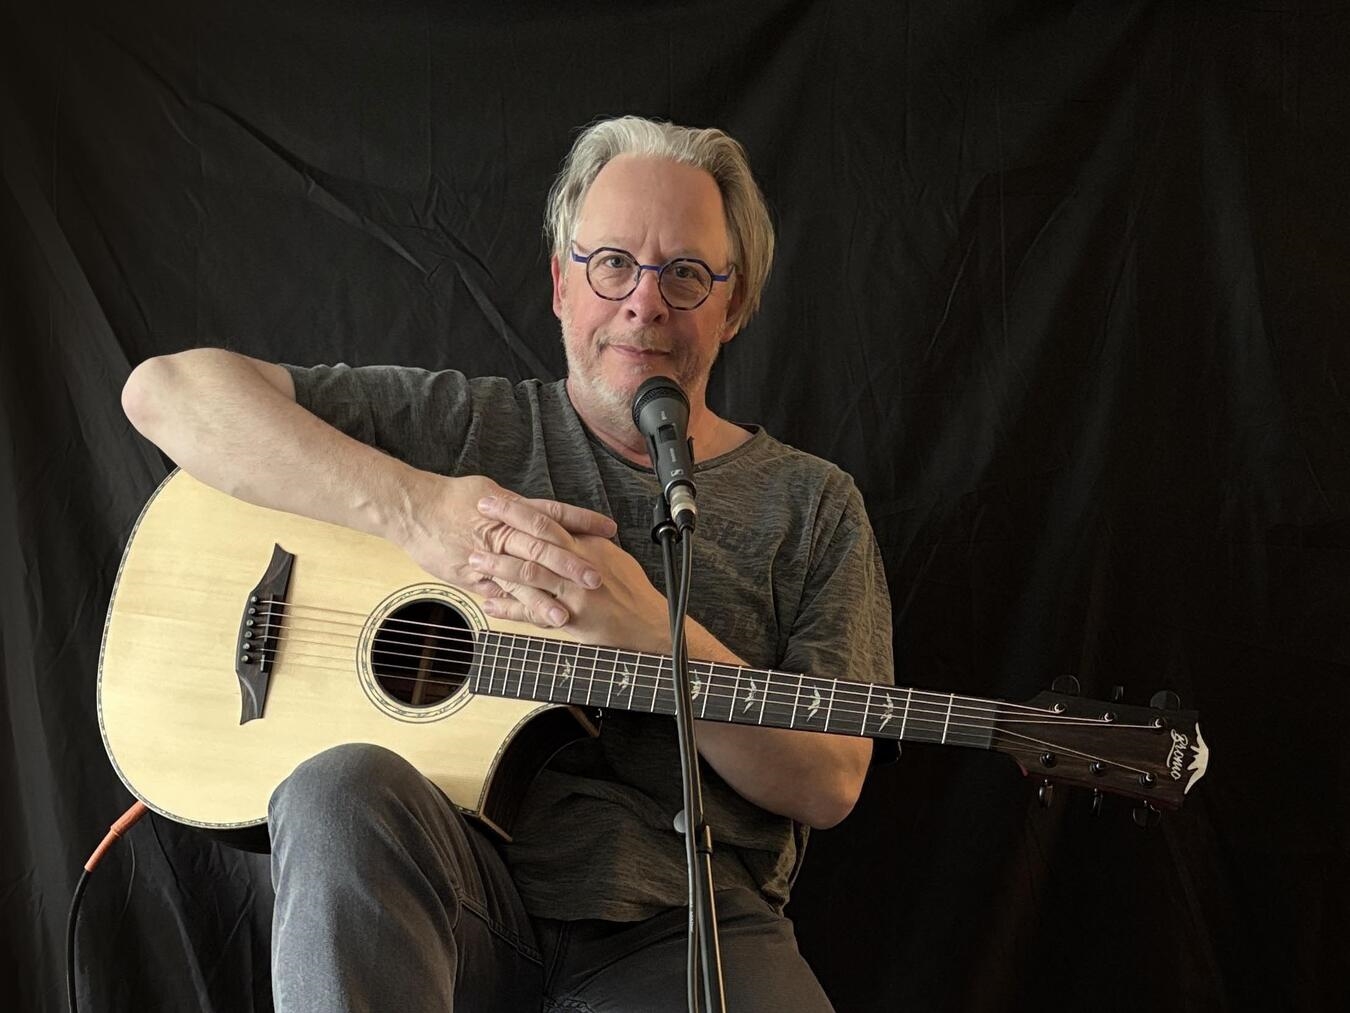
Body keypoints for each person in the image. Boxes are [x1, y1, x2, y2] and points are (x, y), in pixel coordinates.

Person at [121, 115, 894, 1012]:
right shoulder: (463, 427)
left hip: (692, 925)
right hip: (448, 902)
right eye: (613, 263)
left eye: (685, 273)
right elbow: (166, 393)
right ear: (562, 283)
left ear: (735, 302)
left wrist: (654, 632)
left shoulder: (812, 503)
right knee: (336, 786)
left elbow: (831, 776)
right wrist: (416, 510)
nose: (644, 303)